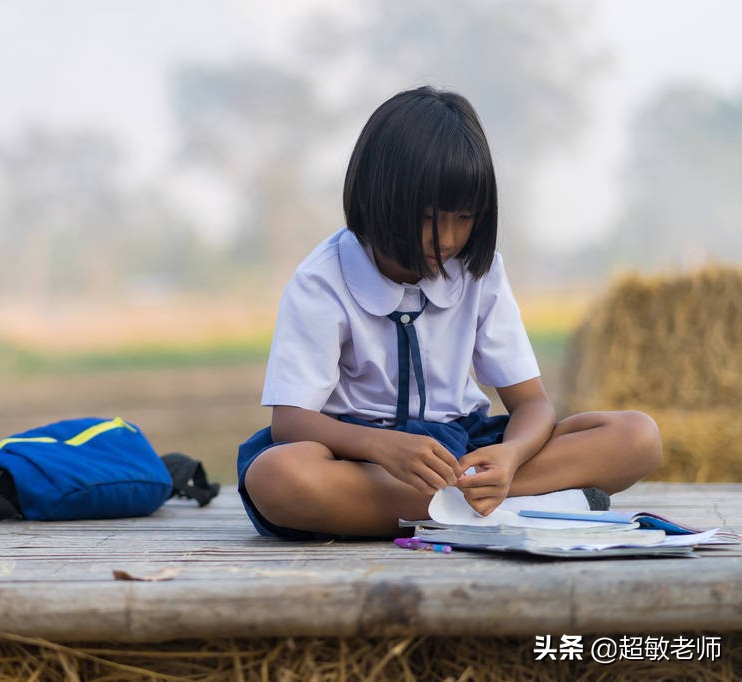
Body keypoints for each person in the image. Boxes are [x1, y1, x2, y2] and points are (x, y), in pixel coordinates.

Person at [238, 86, 663, 540]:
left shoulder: (480, 272)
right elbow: (290, 422)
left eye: (463, 217)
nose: (447, 237)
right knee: (278, 476)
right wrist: (381, 446)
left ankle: (464, 504)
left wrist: (511, 456)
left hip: (463, 454)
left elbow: (533, 403)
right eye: (428, 217)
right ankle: (513, 506)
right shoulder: (321, 281)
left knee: (637, 436)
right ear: (374, 198)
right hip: (360, 455)